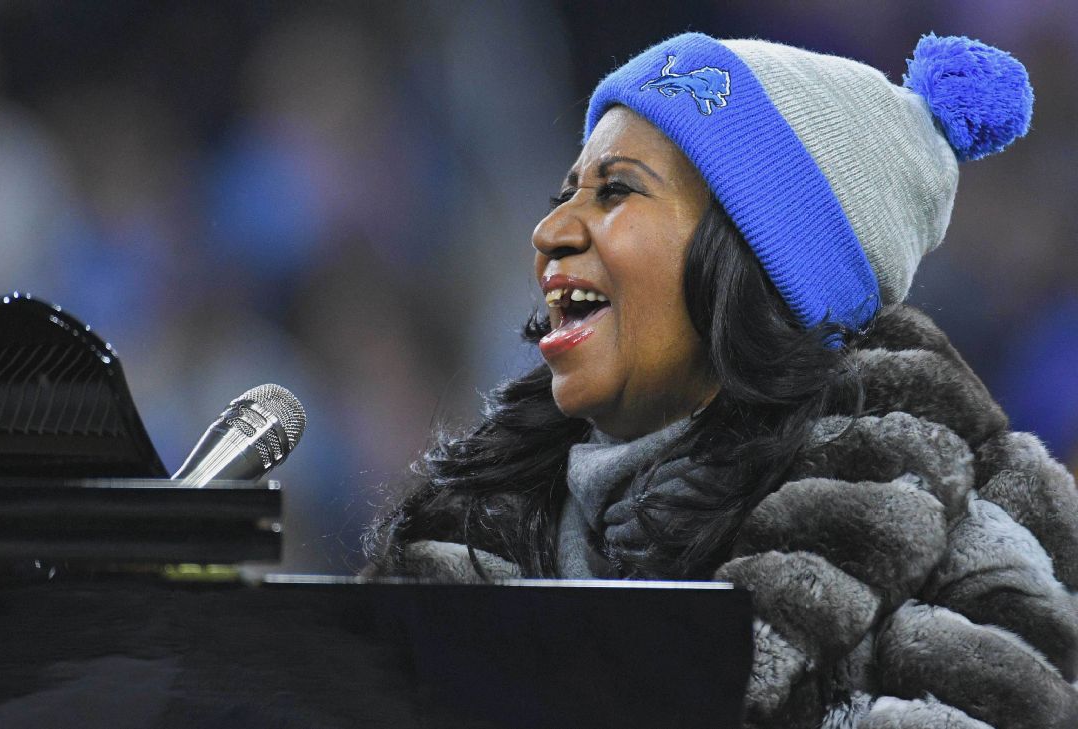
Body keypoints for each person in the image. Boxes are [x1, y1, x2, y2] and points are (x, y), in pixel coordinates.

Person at [363, 31, 1078, 729]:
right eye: (566, 191)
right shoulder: (473, 528)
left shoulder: (979, 536)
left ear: (756, 264)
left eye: (616, 191)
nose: (551, 230)